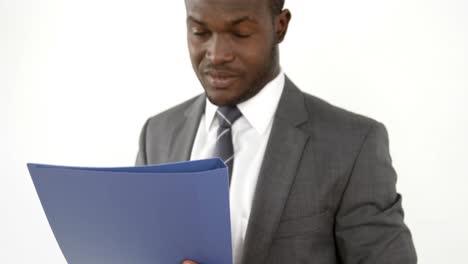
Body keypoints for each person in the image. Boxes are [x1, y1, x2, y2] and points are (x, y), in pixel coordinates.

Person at [135, 0, 417, 263]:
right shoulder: (157, 135)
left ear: (279, 26)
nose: (217, 54)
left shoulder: (353, 145)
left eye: (241, 33)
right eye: (200, 32)